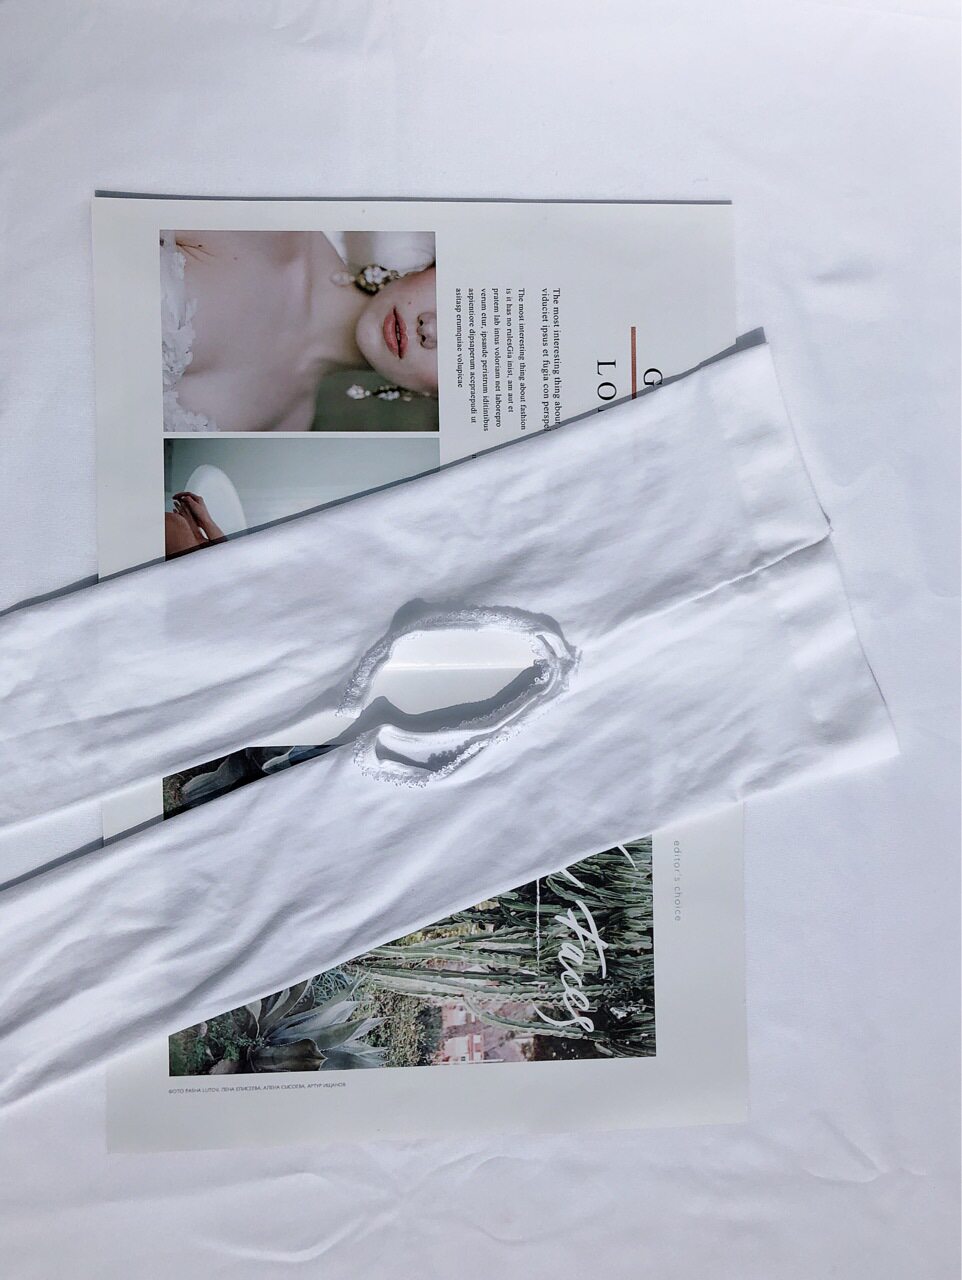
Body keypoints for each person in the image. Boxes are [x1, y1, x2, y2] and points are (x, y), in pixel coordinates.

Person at [161, 230, 438, 432]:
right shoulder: (268, 231)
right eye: (455, 302)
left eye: (457, 358)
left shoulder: (286, 425)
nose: (431, 329)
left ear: (436, 395)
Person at [164, 491, 225, 557]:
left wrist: (198, 533)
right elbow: (226, 554)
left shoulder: (175, 522)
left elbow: (225, 555)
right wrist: (205, 521)